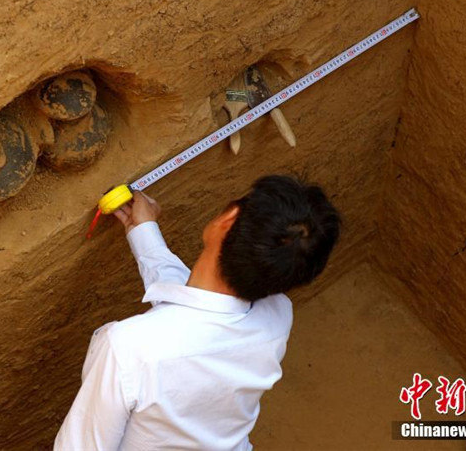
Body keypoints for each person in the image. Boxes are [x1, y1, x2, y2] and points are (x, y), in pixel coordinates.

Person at [55, 175, 341, 450]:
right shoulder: (278, 317)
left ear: (228, 219)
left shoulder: (129, 349)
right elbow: (191, 310)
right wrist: (143, 231)